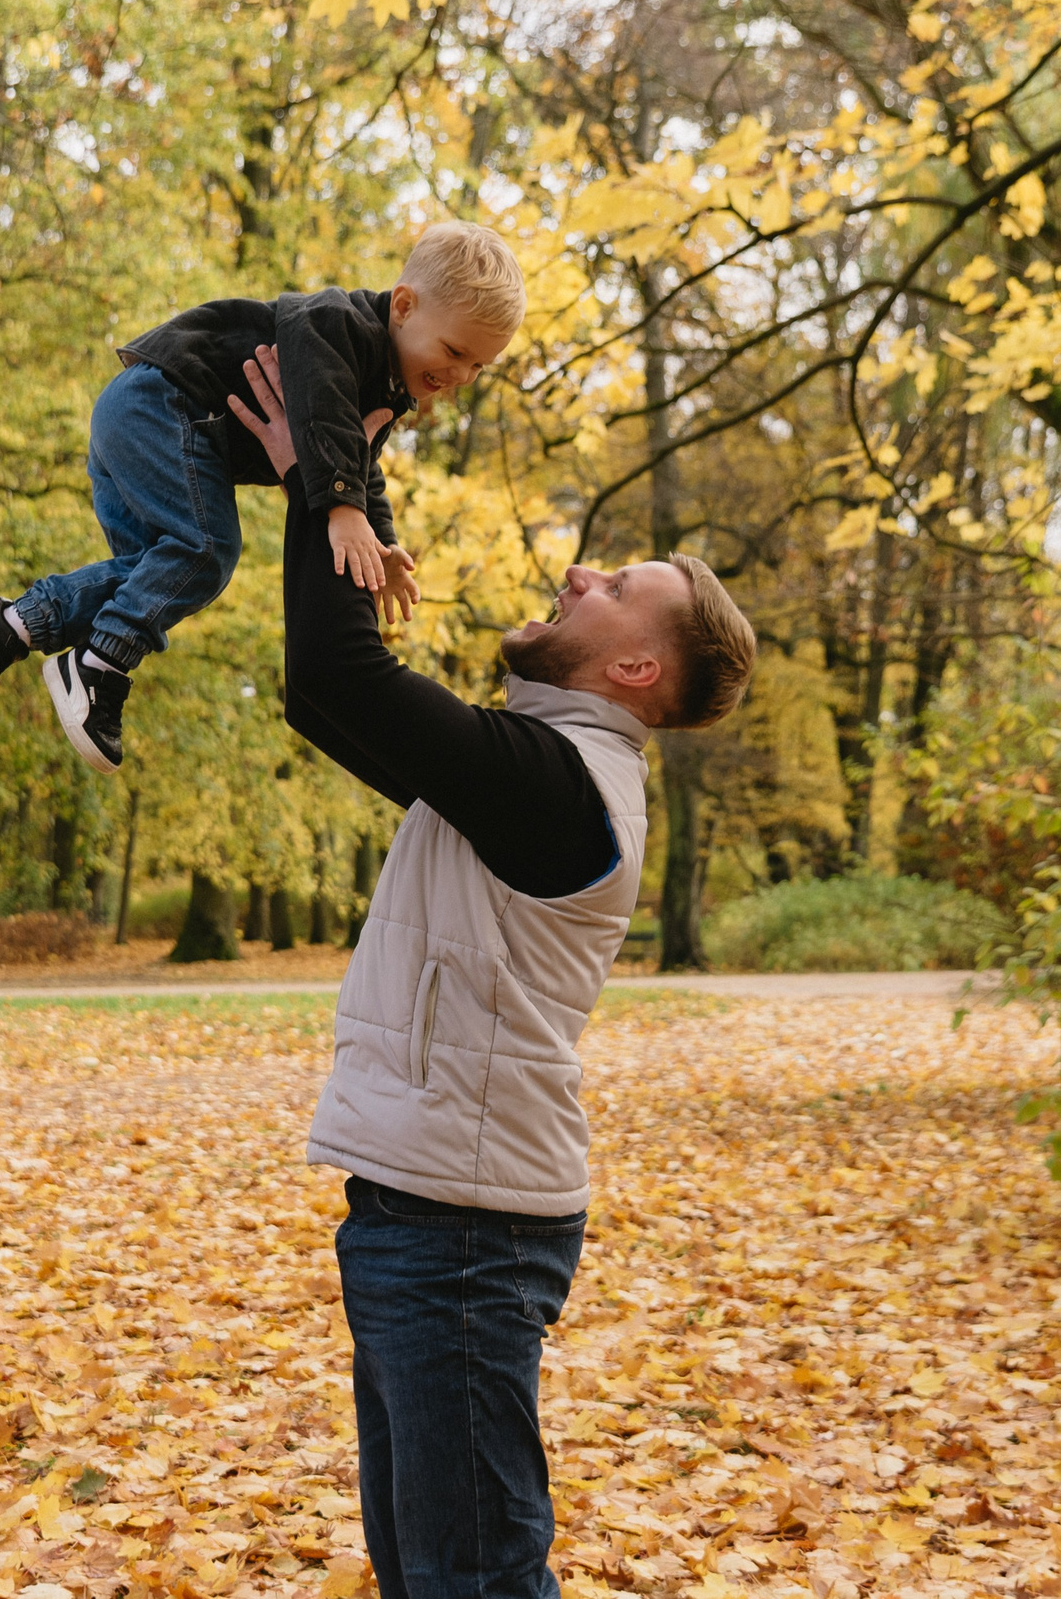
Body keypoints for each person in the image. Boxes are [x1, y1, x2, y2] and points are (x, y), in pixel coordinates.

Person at [230, 346, 758, 1599]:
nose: (582, 569)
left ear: (636, 668)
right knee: (429, 1571)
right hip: (427, 1212)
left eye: (616, 583)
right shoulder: (530, 765)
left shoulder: (559, 788)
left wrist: (333, 478)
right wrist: (345, 469)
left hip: (464, 1232)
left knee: (471, 1575)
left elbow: (345, 675)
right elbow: (325, 699)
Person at [0, 219, 527, 771]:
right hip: (164, 405)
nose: (463, 376)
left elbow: (357, 461)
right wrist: (342, 509)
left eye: (480, 365)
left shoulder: (384, 383)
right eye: (454, 352)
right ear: (404, 306)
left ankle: (12, 625)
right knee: (207, 550)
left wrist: (381, 544)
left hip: (138, 415)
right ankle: (99, 668)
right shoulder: (341, 326)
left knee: (154, 575)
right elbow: (323, 409)